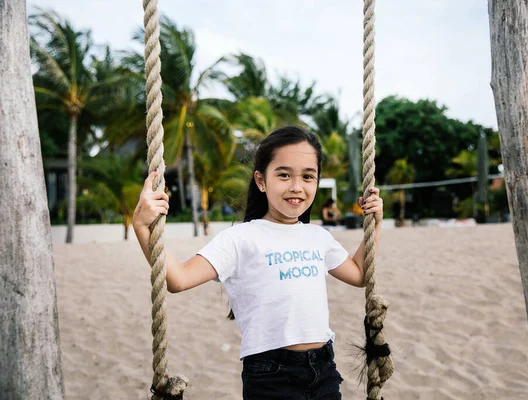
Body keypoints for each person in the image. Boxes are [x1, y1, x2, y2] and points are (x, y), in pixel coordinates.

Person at [132, 125, 383, 400]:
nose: (296, 187)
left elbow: (359, 275)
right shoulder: (240, 238)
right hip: (270, 374)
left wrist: (375, 224)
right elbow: (177, 279)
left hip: (324, 368)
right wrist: (143, 227)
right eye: (284, 175)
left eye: (308, 176)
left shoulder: (317, 236)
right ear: (261, 181)